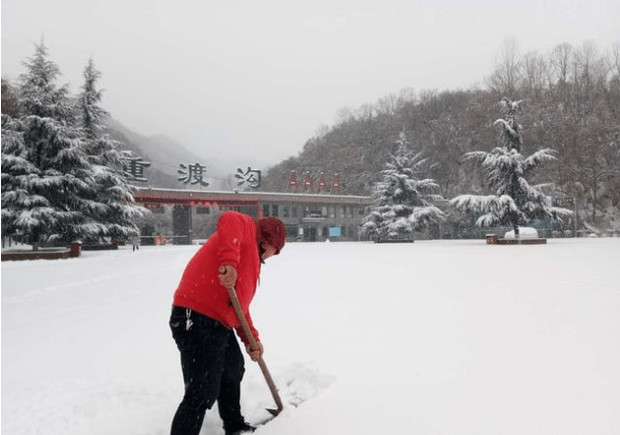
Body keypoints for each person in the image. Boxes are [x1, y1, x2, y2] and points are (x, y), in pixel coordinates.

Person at [169, 211, 286, 435]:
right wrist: (229, 263)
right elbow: (229, 218)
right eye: (276, 250)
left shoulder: (251, 261)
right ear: (269, 241)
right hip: (194, 315)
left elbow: (239, 308)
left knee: (232, 369)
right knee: (201, 391)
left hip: (216, 322)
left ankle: (234, 426)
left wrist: (252, 339)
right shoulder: (247, 229)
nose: (274, 255)